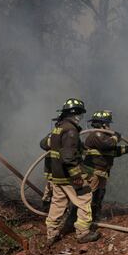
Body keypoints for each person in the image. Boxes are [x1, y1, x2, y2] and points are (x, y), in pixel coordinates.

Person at [41, 98, 100, 246]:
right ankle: (82, 233)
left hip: (57, 175)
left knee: (58, 204)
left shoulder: (58, 128)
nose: (80, 117)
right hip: (68, 176)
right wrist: (76, 176)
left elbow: (57, 146)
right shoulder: (71, 130)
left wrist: (82, 148)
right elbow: (68, 157)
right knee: (85, 198)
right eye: (80, 114)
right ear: (75, 113)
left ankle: (51, 235)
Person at [81, 110, 128, 221]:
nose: (109, 126)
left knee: (99, 195)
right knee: (90, 196)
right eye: (108, 124)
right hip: (93, 172)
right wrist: (115, 137)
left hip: (102, 172)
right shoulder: (96, 135)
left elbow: (112, 152)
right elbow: (107, 145)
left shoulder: (103, 136)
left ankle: (94, 217)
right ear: (103, 124)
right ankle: (82, 220)